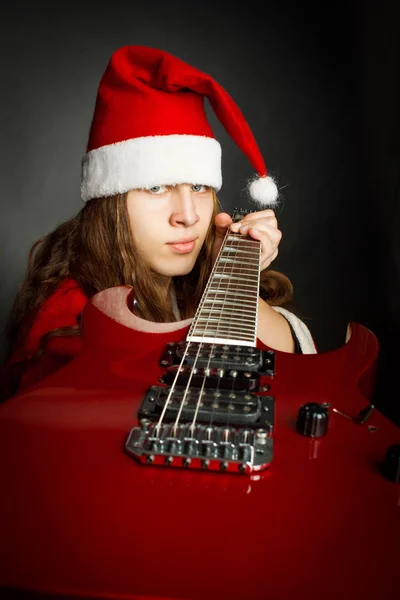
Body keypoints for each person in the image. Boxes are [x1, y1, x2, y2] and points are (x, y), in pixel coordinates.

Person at [0, 45, 316, 401]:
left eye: (198, 187)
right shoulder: (69, 313)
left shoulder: (191, 271)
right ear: (111, 204)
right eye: (155, 187)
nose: (189, 215)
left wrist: (230, 277)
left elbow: (300, 367)